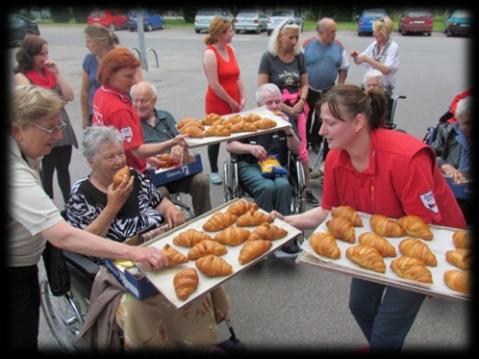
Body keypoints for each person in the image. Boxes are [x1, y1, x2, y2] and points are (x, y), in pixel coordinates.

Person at [272, 84, 466, 351]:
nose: (320, 130)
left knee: (388, 330)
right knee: (360, 305)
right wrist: (286, 221)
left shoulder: (406, 158)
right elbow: (328, 211)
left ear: (358, 123)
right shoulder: (337, 157)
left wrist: (430, 278)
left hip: (428, 243)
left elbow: (423, 229)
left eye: (329, 123)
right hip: (378, 237)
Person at [8, 85, 167, 351]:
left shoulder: (27, 148)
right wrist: (134, 252)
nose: (59, 136)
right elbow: (63, 235)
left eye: (59, 126)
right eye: (50, 129)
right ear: (17, 129)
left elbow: (157, 200)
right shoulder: (17, 173)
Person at [66, 125, 230, 350]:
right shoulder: (81, 193)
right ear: (90, 161)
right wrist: (112, 206)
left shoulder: (133, 176)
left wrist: (170, 207)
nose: (119, 161)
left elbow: (158, 201)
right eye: (110, 156)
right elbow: (86, 241)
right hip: (119, 265)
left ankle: (199, 341)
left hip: (158, 245)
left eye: (120, 153)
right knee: (145, 302)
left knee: (196, 273)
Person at [226, 83, 301, 255]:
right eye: (269, 103)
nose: (274, 106)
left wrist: (288, 130)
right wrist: (249, 149)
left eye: (277, 102)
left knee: (283, 186)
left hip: (275, 165)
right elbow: (230, 145)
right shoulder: (248, 119)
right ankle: (261, 236)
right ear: (260, 104)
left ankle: (285, 236)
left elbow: (296, 149)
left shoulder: (285, 119)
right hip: (250, 164)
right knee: (266, 187)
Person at [92, 47, 186, 173]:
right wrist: (172, 142)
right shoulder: (119, 109)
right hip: (129, 171)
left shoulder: (101, 93)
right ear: (111, 74)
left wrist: (149, 160)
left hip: (106, 167)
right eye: (128, 76)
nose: (133, 81)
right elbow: (137, 151)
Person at [258, 18, 319, 208]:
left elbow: (305, 84)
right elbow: (263, 87)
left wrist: (301, 102)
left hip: (298, 105)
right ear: (280, 37)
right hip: (275, 106)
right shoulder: (268, 57)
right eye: (290, 37)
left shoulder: (299, 56)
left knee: (302, 148)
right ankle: (274, 180)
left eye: (296, 37)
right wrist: (284, 108)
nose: (294, 41)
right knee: (275, 145)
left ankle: (306, 188)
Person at [130, 81, 212, 216]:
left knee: (201, 180)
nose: (139, 105)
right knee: (161, 193)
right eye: (135, 101)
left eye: (143, 101)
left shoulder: (165, 116)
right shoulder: (132, 123)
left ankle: (204, 218)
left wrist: (180, 145)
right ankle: (174, 228)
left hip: (178, 170)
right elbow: (134, 152)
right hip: (153, 177)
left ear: (154, 100)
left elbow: (182, 137)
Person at [14, 34, 78, 205]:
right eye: (41, 54)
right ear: (30, 55)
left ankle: (69, 203)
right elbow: (32, 106)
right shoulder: (22, 76)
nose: (45, 58)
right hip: (41, 129)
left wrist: (57, 74)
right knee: (46, 171)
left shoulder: (50, 73)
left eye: (47, 53)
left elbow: (69, 95)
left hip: (61, 126)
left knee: (64, 169)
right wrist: (56, 101)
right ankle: (48, 202)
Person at [203, 16, 246, 185]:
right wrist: (230, 101)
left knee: (236, 134)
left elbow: (238, 76)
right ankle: (213, 170)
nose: (232, 34)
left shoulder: (231, 50)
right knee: (216, 137)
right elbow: (214, 84)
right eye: (229, 31)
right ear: (220, 34)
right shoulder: (210, 53)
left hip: (233, 101)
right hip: (218, 102)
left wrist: (242, 96)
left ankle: (238, 166)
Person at [303, 17, 349, 159]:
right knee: (305, 116)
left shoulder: (338, 46)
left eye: (335, 31)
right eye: (331, 32)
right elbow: (300, 67)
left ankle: (316, 141)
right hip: (308, 88)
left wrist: (339, 86)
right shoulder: (307, 45)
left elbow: (343, 67)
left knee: (321, 118)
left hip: (328, 89)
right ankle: (304, 142)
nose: (334, 35)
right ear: (321, 32)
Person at [430, 96, 472, 223]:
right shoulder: (446, 131)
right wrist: (443, 164)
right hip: (449, 192)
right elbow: (428, 155)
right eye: (467, 123)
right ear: (458, 121)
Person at [80, 24, 119, 129]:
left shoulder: (119, 58)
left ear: (99, 42)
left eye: (89, 42)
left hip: (117, 111)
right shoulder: (89, 59)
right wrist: (85, 117)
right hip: (96, 113)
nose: (86, 45)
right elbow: (84, 91)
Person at [350, 16, 399, 98]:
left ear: (384, 32)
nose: (373, 34)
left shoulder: (393, 47)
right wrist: (356, 57)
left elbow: (386, 70)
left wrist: (368, 60)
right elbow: (360, 60)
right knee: (354, 99)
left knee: (373, 102)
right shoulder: (374, 45)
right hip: (369, 83)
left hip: (383, 86)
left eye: (376, 32)